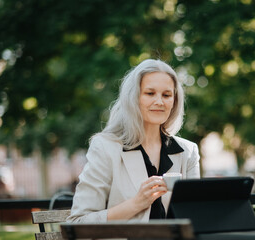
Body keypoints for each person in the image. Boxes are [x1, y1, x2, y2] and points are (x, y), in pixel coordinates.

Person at [67, 59, 200, 223]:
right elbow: (77, 223)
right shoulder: (105, 148)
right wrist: (137, 203)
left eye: (166, 95)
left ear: (174, 101)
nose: (159, 101)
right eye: (150, 93)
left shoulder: (188, 152)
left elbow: (195, 217)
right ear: (133, 98)